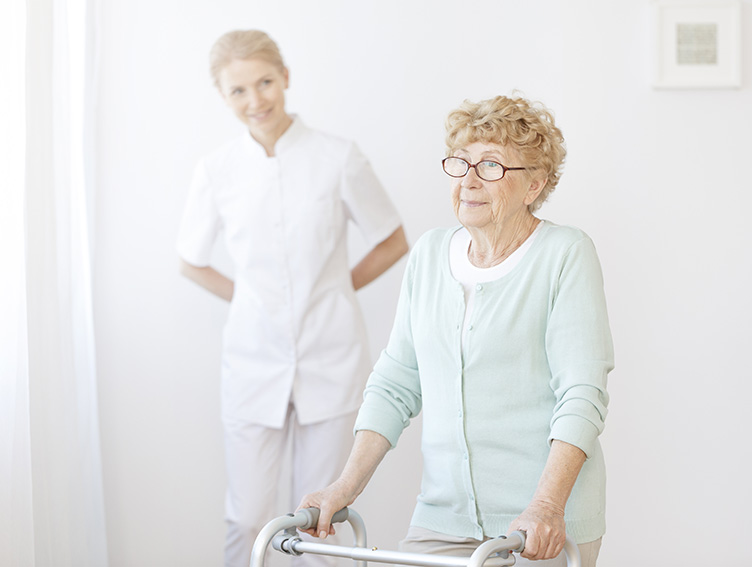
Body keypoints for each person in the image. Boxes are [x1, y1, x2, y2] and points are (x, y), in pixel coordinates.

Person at [298, 95, 614, 567]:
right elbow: (397, 382)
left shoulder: (564, 254)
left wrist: (547, 506)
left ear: (535, 184)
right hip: (442, 519)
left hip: (537, 526)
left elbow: (582, 393)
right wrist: (343, 487)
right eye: (461, 162)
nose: (468, 180)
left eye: (490, 166)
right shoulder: (428, 255)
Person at [176, 29, 408, 567]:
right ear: (222, 95)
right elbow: (189, 259)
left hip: (331, 355)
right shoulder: (217, 172)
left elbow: (392, 239)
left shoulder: (338, 157)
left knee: (322, 517)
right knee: (248, 513)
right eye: (238, 91)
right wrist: (251, 301)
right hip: (252, 361)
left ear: (285, 79)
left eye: (264, 83)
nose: (255, 100)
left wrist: (330, 290)